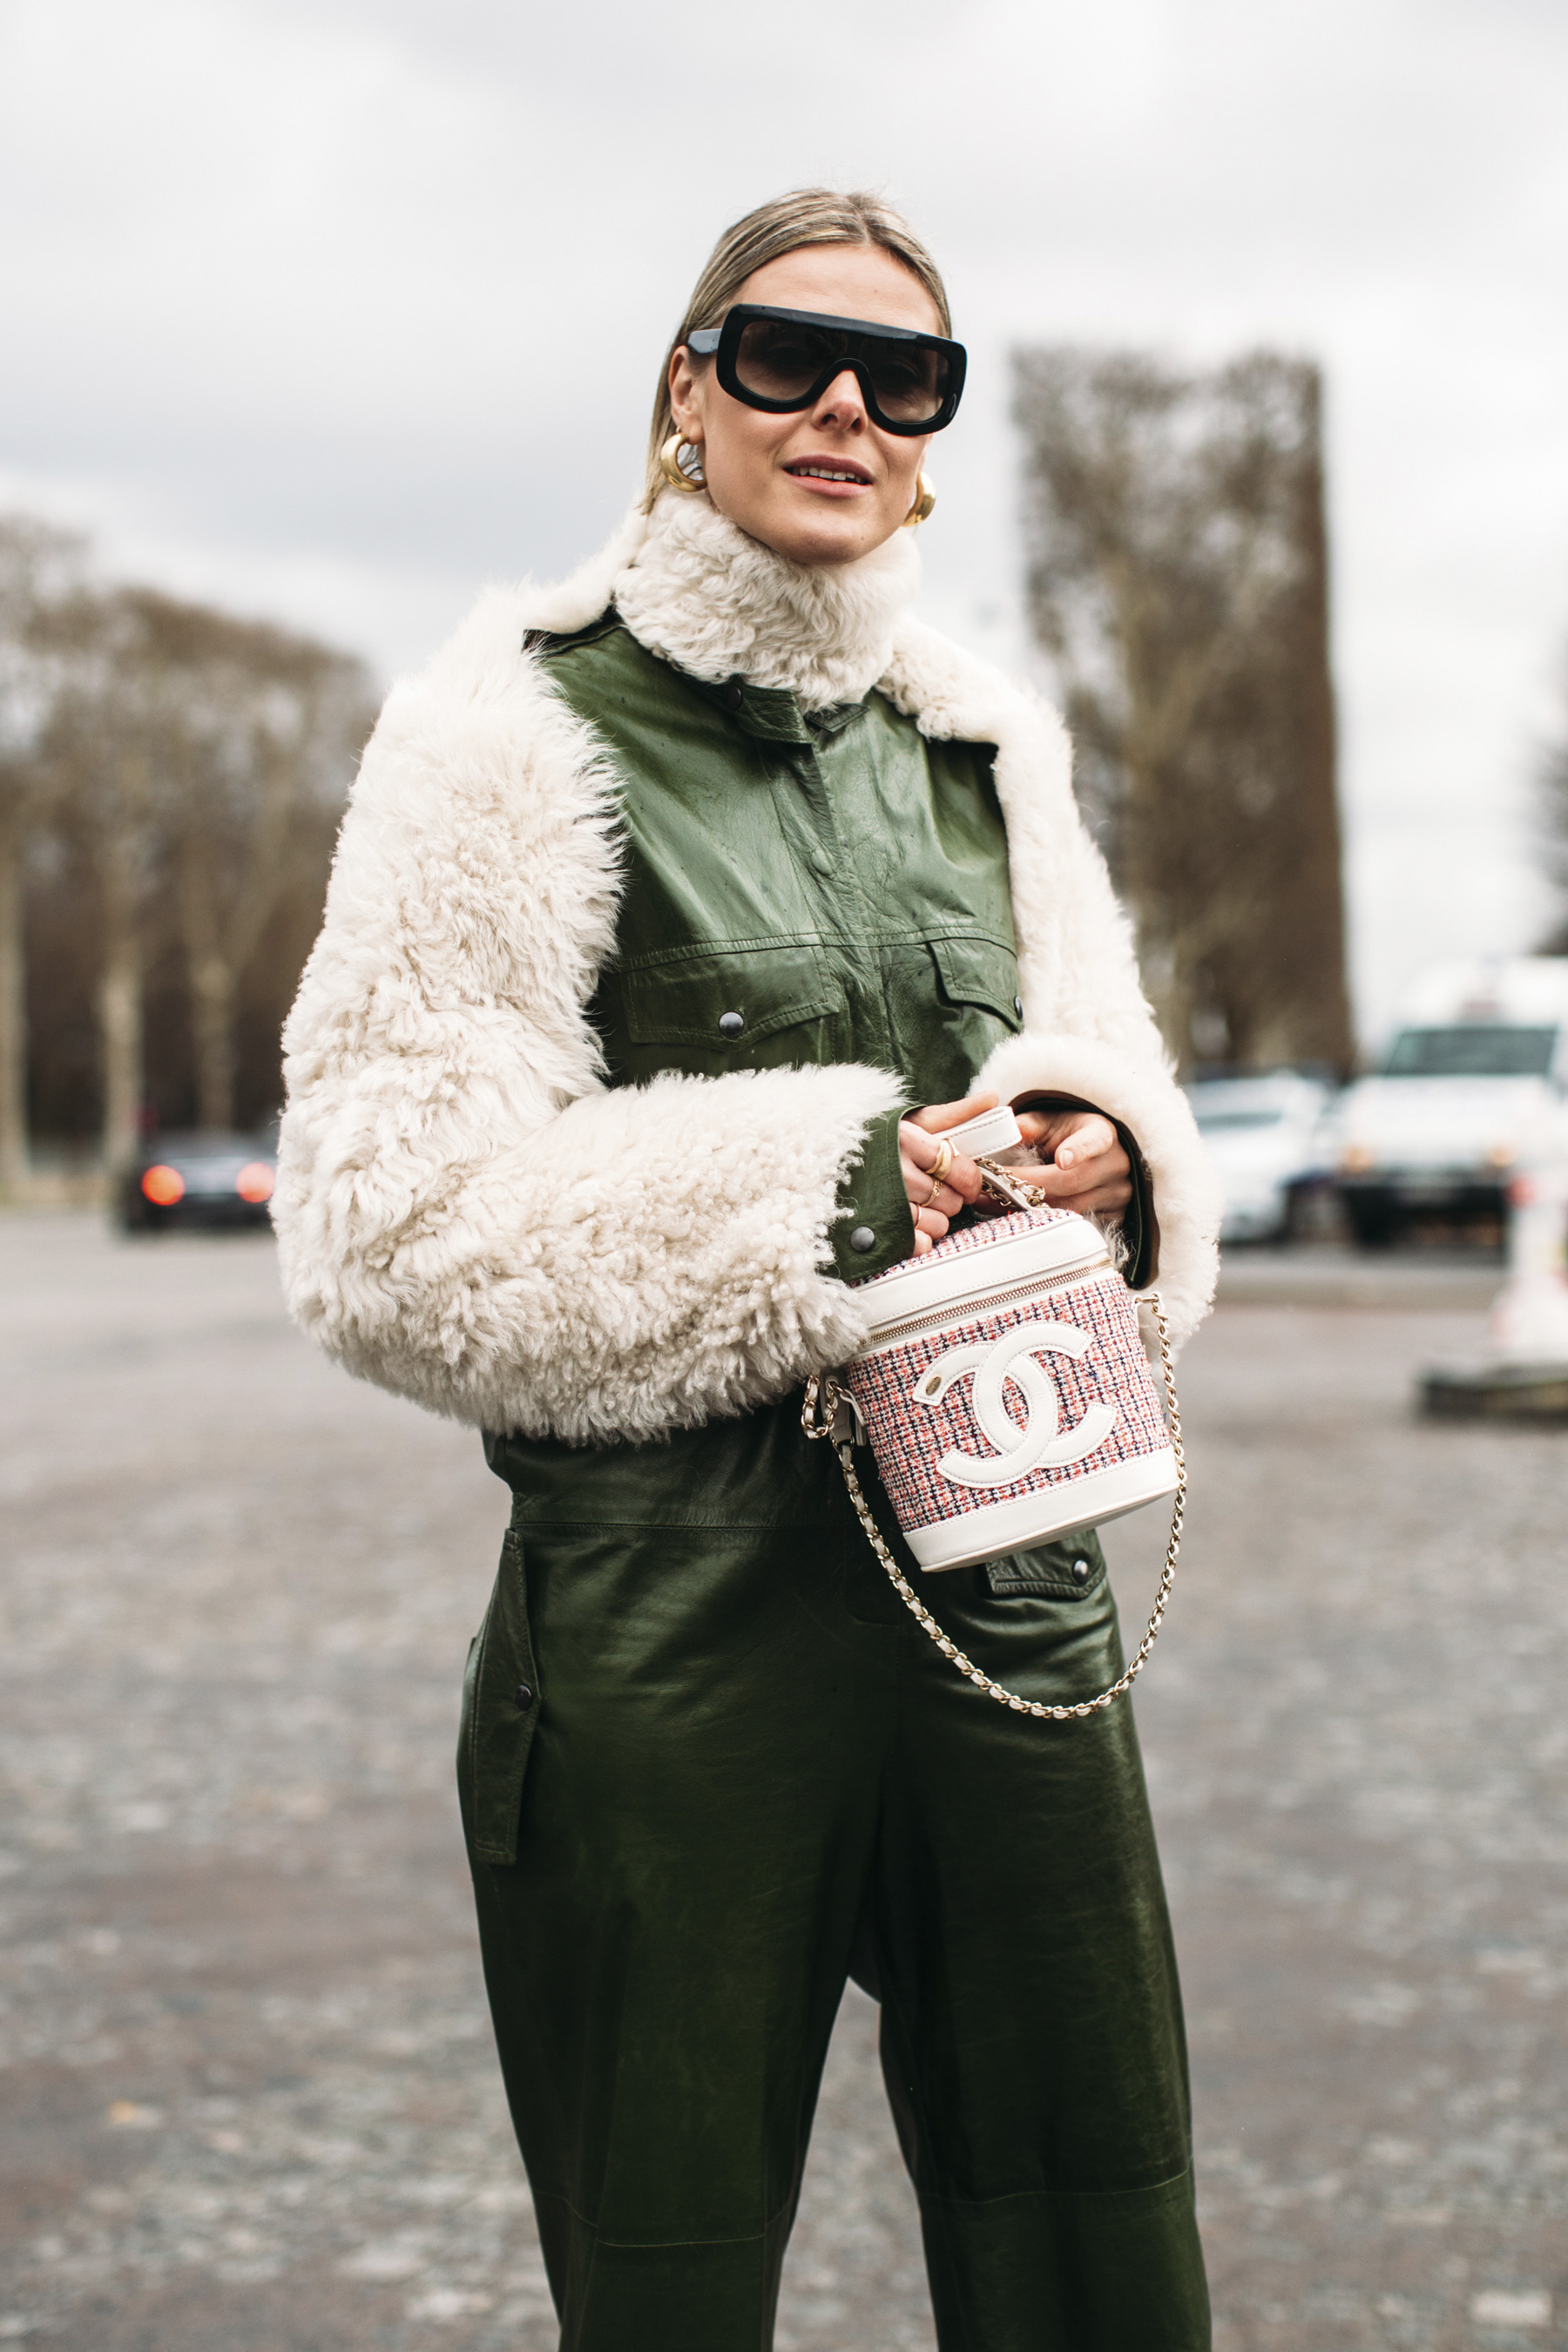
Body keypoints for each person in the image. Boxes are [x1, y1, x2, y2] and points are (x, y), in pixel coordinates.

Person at [275, 186, 1220, 2352]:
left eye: (908, 376)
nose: (846, 408)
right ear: (685, 392)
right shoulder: (505, 730)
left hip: (1012, 1591)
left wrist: (1115, 1175)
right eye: (787, 355)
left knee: (1104, 2240)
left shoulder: (991, 745)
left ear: (937, 426)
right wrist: (844, 1190)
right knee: (672, 2282)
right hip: (669, 1626)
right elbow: (386, 1233)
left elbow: (1122, 1099)